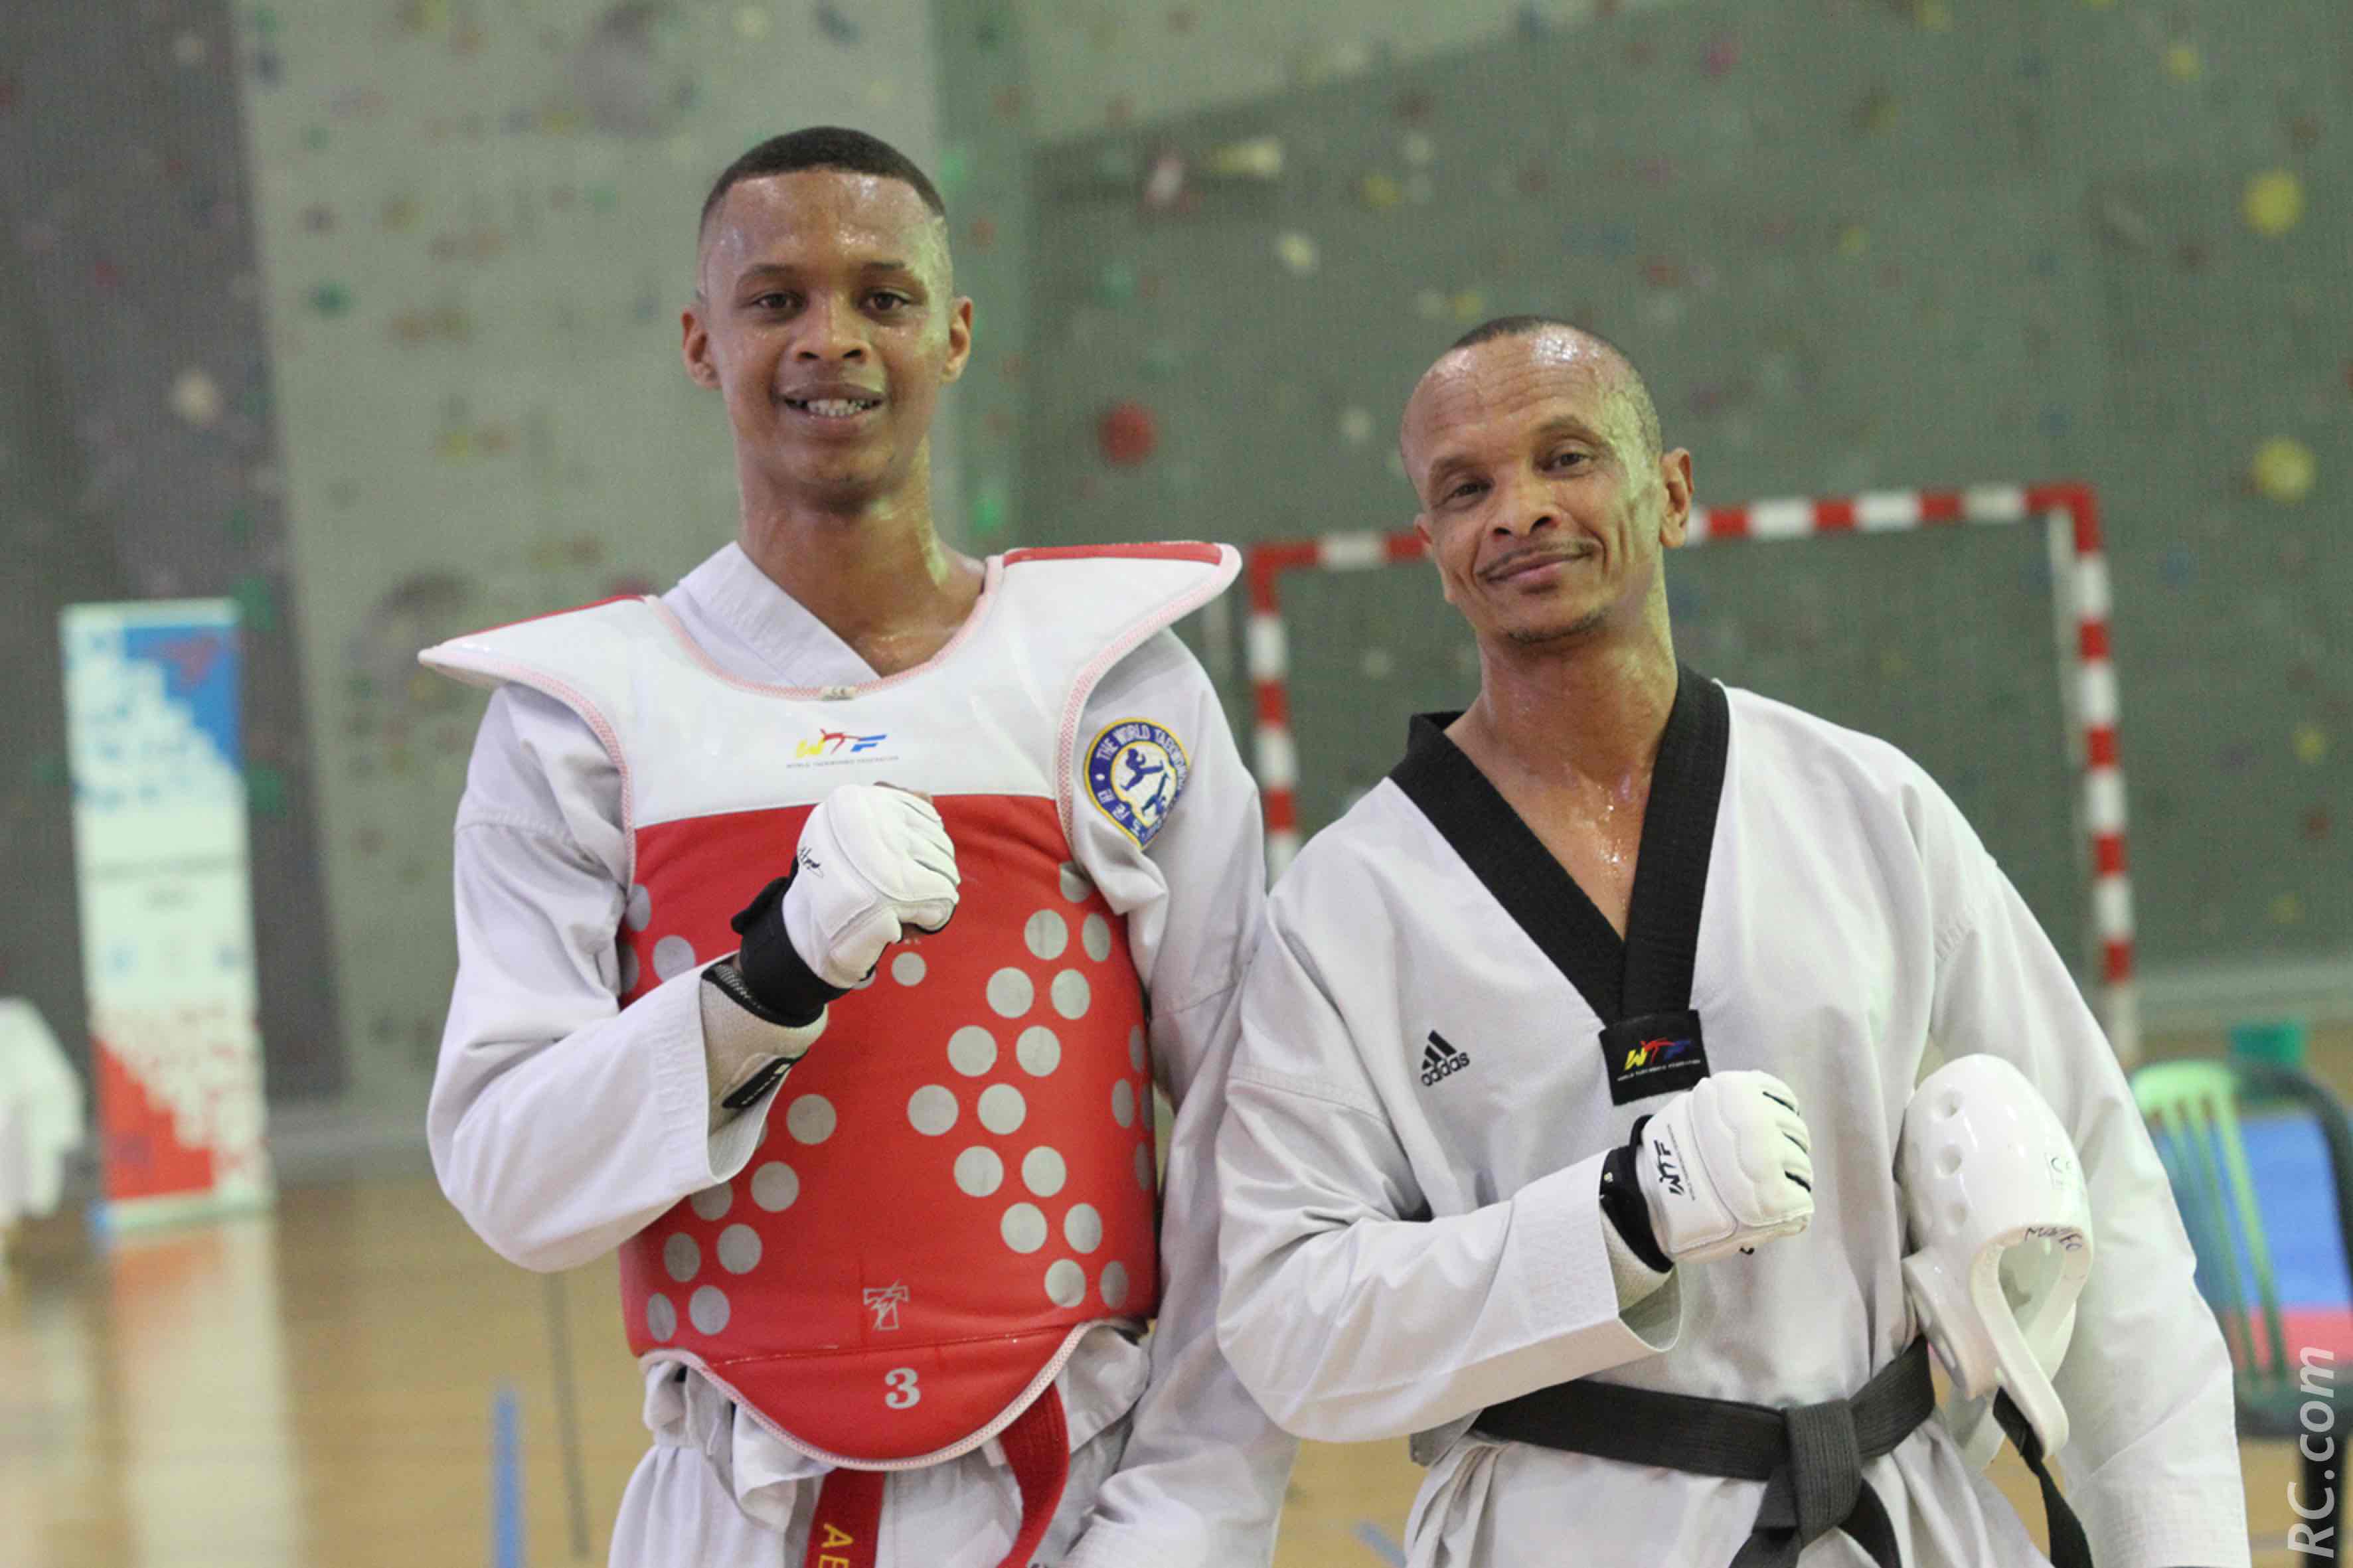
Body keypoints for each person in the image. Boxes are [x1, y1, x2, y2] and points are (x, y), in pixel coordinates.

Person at [1211, 317, 2247, 1567]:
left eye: (1568, 457)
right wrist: (1612, 1219)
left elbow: (2108, 1210)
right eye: (1466, 488)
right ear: (1435, 552)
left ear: (1675, 492)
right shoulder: (1344, 906)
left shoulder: (1869, 808)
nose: (1520, 511)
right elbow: (1287, 1325)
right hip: (1562, 1533)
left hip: (1894, 1522)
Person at [421, 126, 1293, 1568]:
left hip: (1088, 1484)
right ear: (702, 343)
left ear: (952, 336)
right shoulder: (576, 725)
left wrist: (1191, 1515)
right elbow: (514, 1181)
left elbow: (1244, 1142)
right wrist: (752, 991)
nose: (832, 339)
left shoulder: (1115, 682)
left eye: (881, 296)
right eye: (776, 299)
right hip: (733, 1503)